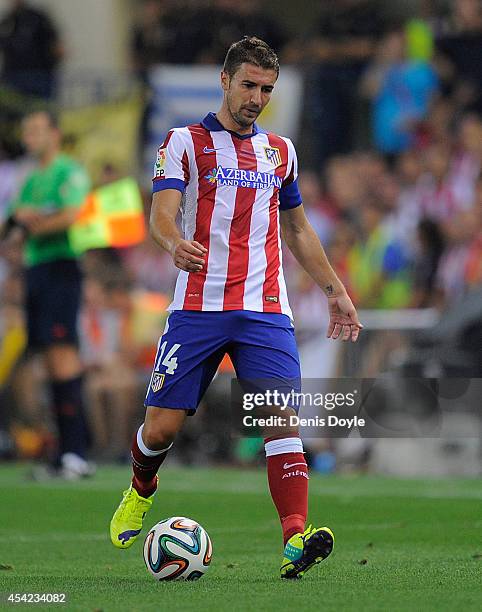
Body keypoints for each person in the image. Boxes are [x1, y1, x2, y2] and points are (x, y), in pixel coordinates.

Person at [109, 36, 362, 579]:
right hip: (197, 309)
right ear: (225, 80)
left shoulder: (281, 153)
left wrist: (336, 290)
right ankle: (140, 488)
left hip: (265, 310)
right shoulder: (183, 142)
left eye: (267, 89)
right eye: (248, 84)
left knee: (280, 420)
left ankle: (296, 538)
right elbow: (161, 212)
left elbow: (296, 229)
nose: (256, 97)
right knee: (160, 430)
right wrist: (173, 241)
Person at [1, 110, 92, 479]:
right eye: (27, 131)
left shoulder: (68, 172)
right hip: (36, 271)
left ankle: (77, 452)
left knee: (63, 357)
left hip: (61, 268)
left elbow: (71, 216)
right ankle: (62, 452)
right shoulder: (29, 179)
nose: (30, 138)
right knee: (46, 363)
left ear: (55, 134)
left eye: (37, 130)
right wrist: (19, 222)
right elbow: (11, 225)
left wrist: (30, 222)